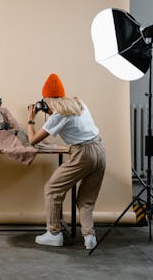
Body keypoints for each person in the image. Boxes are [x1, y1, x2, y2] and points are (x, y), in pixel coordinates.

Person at [27, 73, 106, 249]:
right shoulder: (79, 102)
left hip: (83, 153)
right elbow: (66, 115)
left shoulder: (58, 115)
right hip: (100, 149)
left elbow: (33, 140)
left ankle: (54, 234)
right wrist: (49, 108)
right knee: (86, 199)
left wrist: (31, 119)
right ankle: (89, 236)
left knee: (52, 189)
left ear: (46, 99)